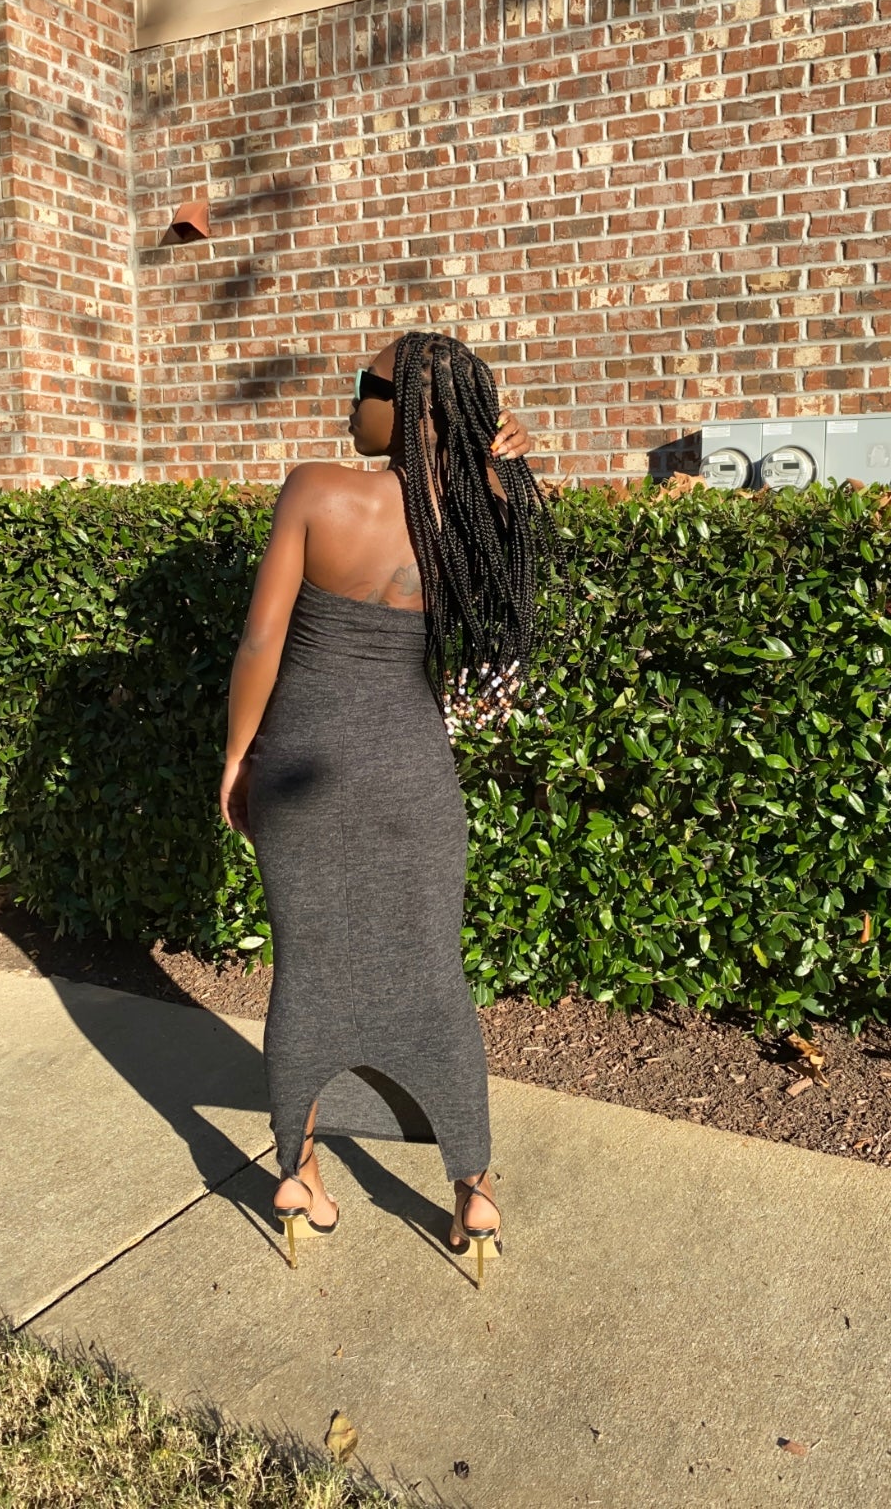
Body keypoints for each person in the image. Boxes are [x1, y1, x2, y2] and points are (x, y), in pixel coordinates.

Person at [219, 331, 568, 1279]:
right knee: (432, 968)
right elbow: (505, 607)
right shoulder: (479, 512)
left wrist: (237, 757)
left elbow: (260, 643)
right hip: (412, 772)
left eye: (366, 386)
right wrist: (505, 470)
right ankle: (475, 1189)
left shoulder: (314, 491)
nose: (352, 402)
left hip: (299, 764)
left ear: (413, 408)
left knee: (306, 967)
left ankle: (297, 1174)